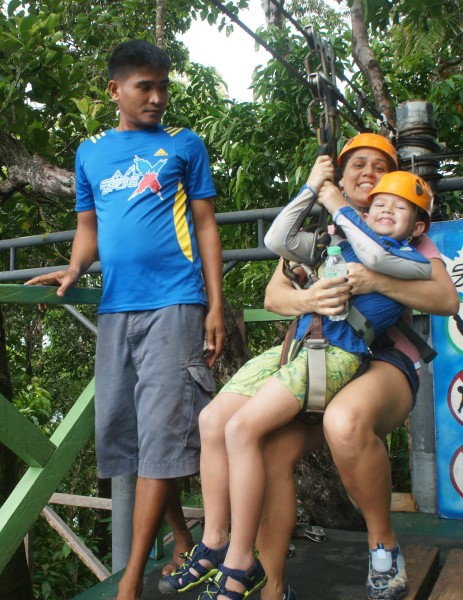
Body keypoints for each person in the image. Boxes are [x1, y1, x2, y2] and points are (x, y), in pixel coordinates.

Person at [158, 133, 458, 600]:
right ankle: (266, 584)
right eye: (356, 164)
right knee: (262, 448)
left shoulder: (402, 236)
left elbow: (443, 297)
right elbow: (275, 295)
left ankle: (383, 544)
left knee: (345, 421)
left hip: (382, 360)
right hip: (313, 350)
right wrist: (308, 296)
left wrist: (375, 279)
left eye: (380, 167)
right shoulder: (324, 234)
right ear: (338, 175)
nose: (367, 174)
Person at [26, 39, 224, 600]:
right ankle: (183, 540)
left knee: (163, 434)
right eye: (145, 87)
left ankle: (131, 578)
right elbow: (88, 229)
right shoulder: (90, 151)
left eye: (163, 86)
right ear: (116, 90)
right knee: (128, 438)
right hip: (116, 309)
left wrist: (214, 303)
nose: (158, 97)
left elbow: (206, 226)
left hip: (175, 304)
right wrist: (72, 270)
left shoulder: (184, 145)